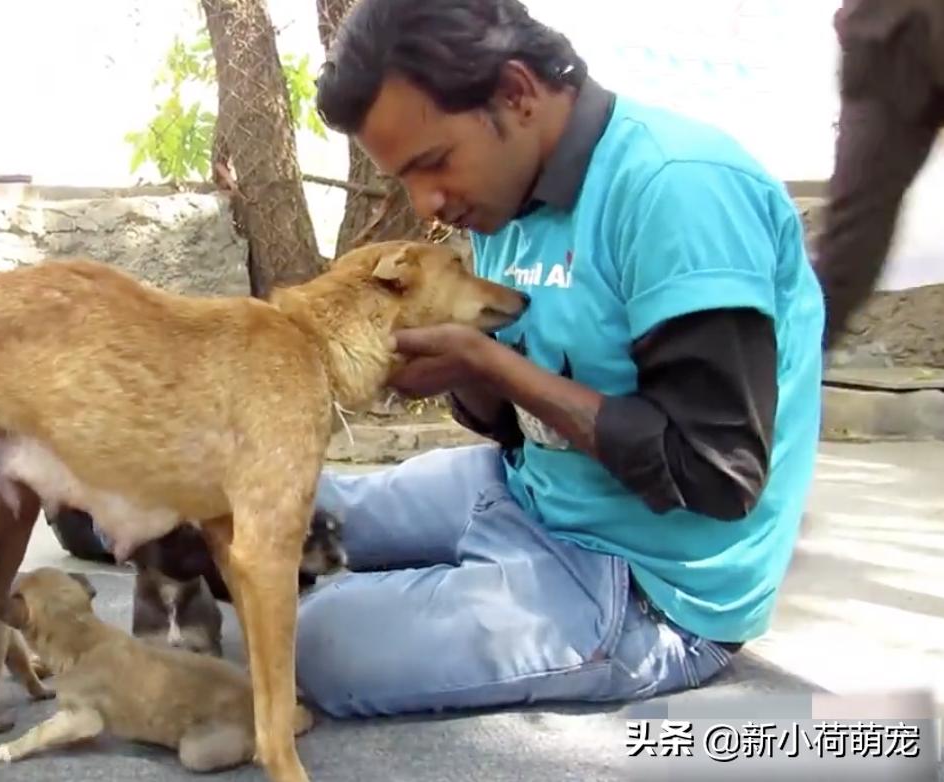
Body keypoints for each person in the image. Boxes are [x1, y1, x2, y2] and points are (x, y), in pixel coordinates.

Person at [293, 0, 825, 719]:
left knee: (318, 640)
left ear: (515, 93)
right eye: (406, 180)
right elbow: (513, 425)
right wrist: (473, 373)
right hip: (531, 491)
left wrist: (492, 363)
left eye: (434, 163)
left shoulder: (678, 189)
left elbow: (716, 471)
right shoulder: (505, 201)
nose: (430, 204)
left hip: (646, 585)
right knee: (287, 499)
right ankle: (109, 514)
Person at [814, 0, 944, 347]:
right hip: (891, 30)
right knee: (850, 247)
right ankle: (776, 384)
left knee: (850, 243)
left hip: (889, 27)